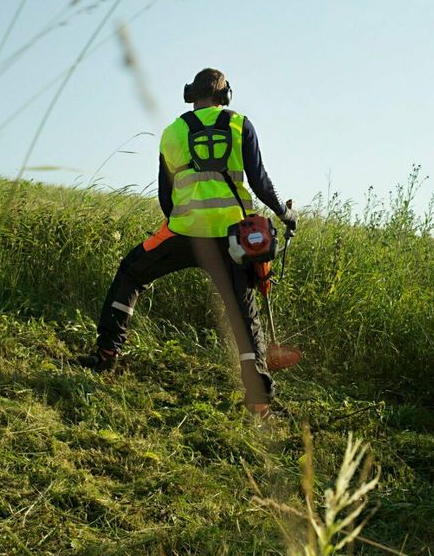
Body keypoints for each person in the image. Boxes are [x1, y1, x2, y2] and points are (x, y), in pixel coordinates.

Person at [79, 68, 298, 417]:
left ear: (189, 94)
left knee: (132, 273)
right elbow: (259, 182)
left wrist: (182, 223)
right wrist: (285, 216)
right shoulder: (241, 125)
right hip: (234, 239)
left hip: (183, 231)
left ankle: (106, 355)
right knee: (244, 316)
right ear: (226, 96)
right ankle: (259, 403)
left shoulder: (173, 133)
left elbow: (166, 198)